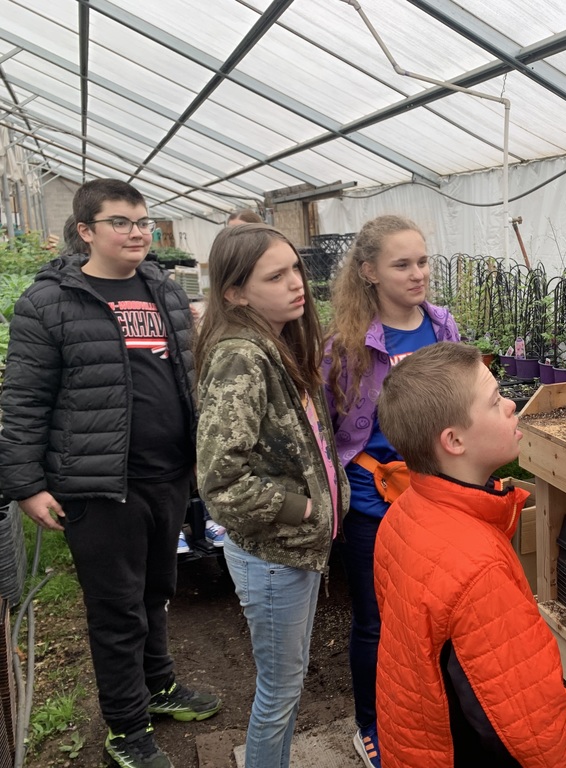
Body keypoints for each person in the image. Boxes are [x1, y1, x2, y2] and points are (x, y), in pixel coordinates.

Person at [0, 179, 222, 768]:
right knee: (116, 606)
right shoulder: (50, 302)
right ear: (86, 231)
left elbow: (187, 377)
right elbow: (23, 399)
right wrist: (26, 484)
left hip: (167, 474)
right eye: (121, 222)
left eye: (144, 221)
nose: (137, 232)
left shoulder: (162, 290)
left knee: (157, 591)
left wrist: (197, 449)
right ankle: (126, 727)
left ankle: (160, 687)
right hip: (97, 484)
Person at [374, 341, 566, 767]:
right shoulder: (478, 568)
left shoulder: (403, 514)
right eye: (494, 402)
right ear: (453, 440)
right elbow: (531, 731)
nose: (511, 405)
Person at [194, 223, 347, 768]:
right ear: (235, 293)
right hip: (274, 554)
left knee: (287, 679)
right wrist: (299, 508)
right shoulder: (242, 357)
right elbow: (219, 482)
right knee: (280, 690)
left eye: (295, 269)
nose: (296, 284)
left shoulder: (275, 344)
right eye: (275, 275)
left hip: (292, 551)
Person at [322, 214, 460, 768]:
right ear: (369, 272)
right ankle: (371, 724)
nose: (417, 274)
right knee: (376, 619)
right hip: (375, 495)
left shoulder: (441, 325)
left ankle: (433, 711)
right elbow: (331, 427)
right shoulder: (348, 344)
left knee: (438, 611)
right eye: (402, 264)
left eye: (422, 261)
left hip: (434, 490)